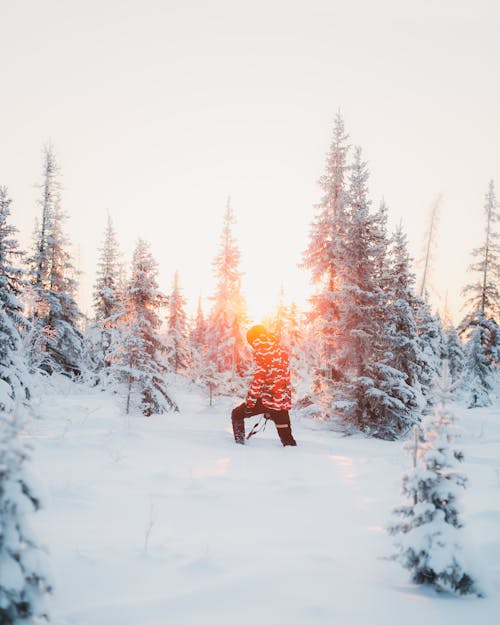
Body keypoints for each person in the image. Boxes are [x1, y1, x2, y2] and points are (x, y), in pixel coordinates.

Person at [231, 324, 297, 446]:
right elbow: (283, 377)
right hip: (281, 401)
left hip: (269, 399)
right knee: (287, 438)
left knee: (237, 414)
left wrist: (250, 403)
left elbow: (258, 380)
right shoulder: (280, 350)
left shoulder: (262, 351)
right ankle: (294, 456)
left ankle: (238, 446)